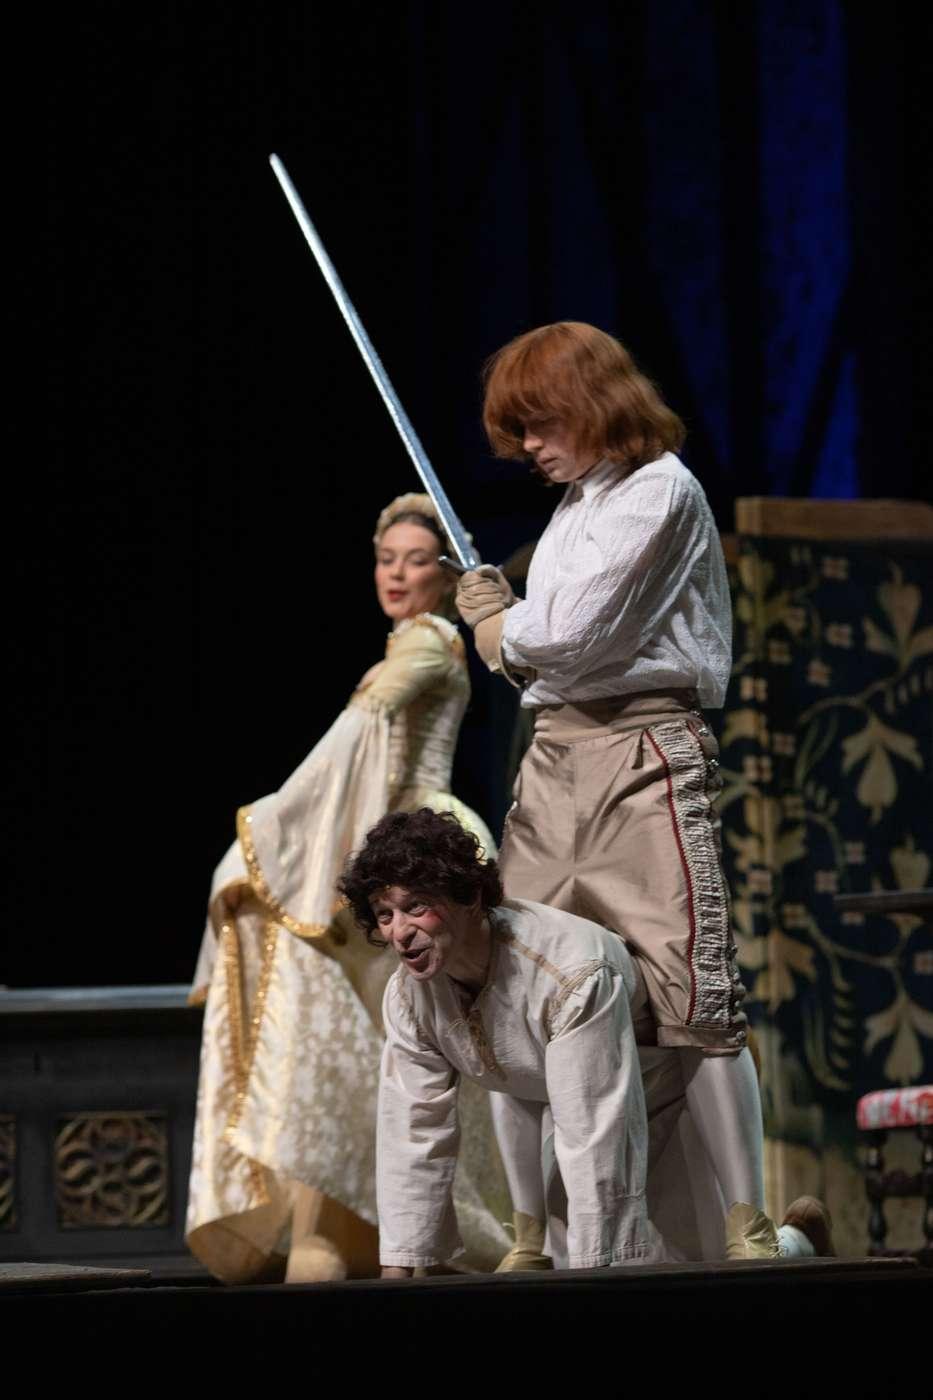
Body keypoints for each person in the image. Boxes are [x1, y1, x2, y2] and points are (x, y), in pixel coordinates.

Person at [454, 321, 833, 1260]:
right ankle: (531, 1235)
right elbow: (556, 647)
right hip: (554, 759)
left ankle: (753, 1228)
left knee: (690, 996)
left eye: (539, 425)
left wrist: (498, 629)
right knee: (515, 993)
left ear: (589, 406)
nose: (528, 448)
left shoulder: (660, 490)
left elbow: (568, 636)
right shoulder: (574, 505)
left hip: (641, 756)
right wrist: (514, 627)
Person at [186, 493, 510, 1284]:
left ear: (446, 576)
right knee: (354, 1039)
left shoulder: (429, 642)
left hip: (409, 849)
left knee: (382, 1038)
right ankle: (344, 1226)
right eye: (385, 559)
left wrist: (272, 833)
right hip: (381, 839)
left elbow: (355, 739)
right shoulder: (411, 640)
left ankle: (360, 1232)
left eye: (416, 560)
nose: (397, 574)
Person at [339, 808, 829, 1274]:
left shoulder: (569, 971)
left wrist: (593, 1276)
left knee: (693, 1269)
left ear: (467, 897)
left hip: (669, 1095)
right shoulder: (410, 996)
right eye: (384, 914)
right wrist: (398, 1267)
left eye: (416, 907)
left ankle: (799, 1239)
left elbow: (595, 1128)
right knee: (597, 1254)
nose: (400, 933)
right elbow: (411, 1126)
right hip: (570, 1107)